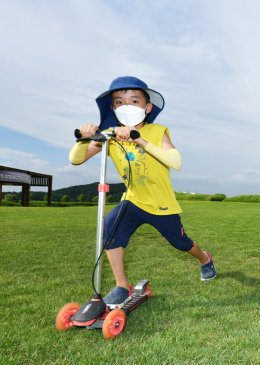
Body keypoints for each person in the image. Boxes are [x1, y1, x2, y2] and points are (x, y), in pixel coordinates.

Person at [69, 76, 216, 319]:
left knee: (181, 243)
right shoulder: (110, 135)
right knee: (109, 229)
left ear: (147, 107)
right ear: (113, 108)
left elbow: (176, 162)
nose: (126, 106)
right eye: (118, 102)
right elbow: (76, 159)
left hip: (162, 205)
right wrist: (84, 139)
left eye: (134, 100)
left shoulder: (158, 132)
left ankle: (205, 258)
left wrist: (139, 138)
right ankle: (121, 285)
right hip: (133, 199)